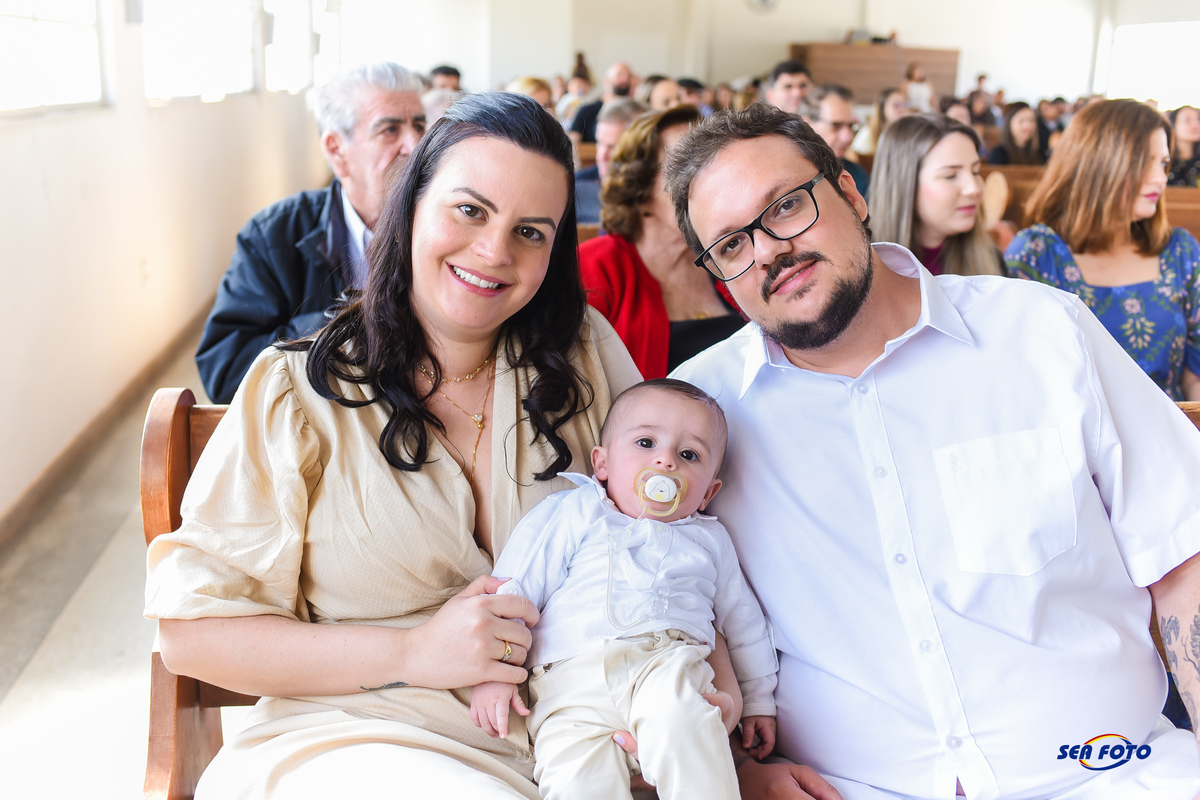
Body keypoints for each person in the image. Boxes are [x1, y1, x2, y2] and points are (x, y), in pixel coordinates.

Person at [664, 102, 1200, 800]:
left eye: (787, 206)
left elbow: (1184, 552)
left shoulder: (1041, 333)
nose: (766, 250)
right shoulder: (697, 419)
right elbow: (666, 613)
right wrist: (735, 768)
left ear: (851, 193)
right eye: (732, 245)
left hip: (1112, 777)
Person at [145, 92, 644, 799]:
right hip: (354, 740)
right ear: (410, 209)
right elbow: (192, 635)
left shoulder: (583, 353)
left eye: (531, 232)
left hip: (570, 745)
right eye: (469, 210)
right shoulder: (297, 391)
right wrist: (413, 651)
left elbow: (669, 521)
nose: (494, 252)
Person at [471, 378, 778, 799]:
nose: (665, 461)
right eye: (646, 443)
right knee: (575, 778)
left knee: (689, 730)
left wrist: (758, 701)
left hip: (666, 666)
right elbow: (516, 585)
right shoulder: (575, 511)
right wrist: (494, 671)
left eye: (689, 455)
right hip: (568, 685)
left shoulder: (709, 540)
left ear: (708, 492)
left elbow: (743, 624)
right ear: (602, 464)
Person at [195, 62, 426, 404]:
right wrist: (352, 320)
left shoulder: (449, 227)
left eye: (419, 125)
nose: (416, 144)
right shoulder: (273, 236)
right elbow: (226, 371)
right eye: (390, 129)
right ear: (337, 150)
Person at [1006, 98, 1200, 401]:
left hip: (1173, 422)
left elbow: (1195, 376)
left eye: (1163, 164)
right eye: (1142, 162)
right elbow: (1020, 378)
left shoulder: (1180, 251)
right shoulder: (1037, 254)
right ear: (1097, 163)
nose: (1160, 178)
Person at [580, 105, 743, 380]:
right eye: (684, 168)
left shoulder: (732, 256)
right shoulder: (594, 266)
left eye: (711, 165)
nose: (709, 182)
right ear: (640, 190)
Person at [870, 114, 1003, 276]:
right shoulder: (861, 269)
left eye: (975, 171)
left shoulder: (992, 259)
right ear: (905, 184)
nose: (974, 188)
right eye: (950, 176)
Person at [575, 98, 647, 225]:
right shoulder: (575, 188)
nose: (602, 155)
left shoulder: (652, 194)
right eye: (599, 143)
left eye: (613, 147)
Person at [799, 84, 868, 201]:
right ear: (808, 125)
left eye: (851, 126)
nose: (848, 137)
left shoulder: (856, 175)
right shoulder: (790, 176)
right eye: (836, 126)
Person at [572, 62, 636, 143]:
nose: (625, 79)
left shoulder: (636, 112)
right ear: (607, 80)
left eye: (629, 76)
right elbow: (572, 141)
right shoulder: (587, 111)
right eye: (619, 75)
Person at [851, 87, 907, 158]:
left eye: (905, 104)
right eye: (896, 105)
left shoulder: (907, 132)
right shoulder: (868, 132)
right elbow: (855, 155)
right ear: (882, 108)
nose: (901, 109)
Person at [987, 101, 1042, 165]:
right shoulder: (999, 154)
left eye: (1031, 120)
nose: (1027, 126)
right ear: (1009, 123)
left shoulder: (1040, 153)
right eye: (1021, 121)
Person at [1169, 105, 1200, 188]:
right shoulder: (1165, 162)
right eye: (1187, 120)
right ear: (1173, 125)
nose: (1195, 125)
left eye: (1198, 119)